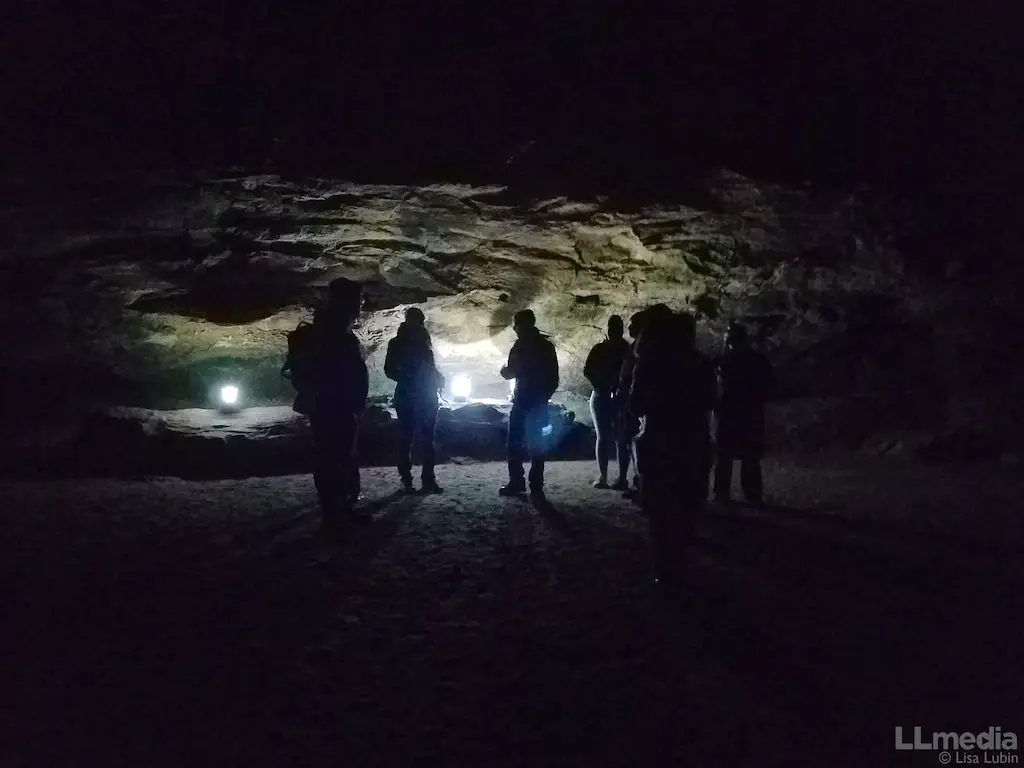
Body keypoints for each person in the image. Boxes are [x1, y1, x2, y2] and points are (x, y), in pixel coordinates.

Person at [629, 310, 716, 596]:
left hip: (659, 441)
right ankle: (679, 564)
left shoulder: (650, 365)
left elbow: (635, 405)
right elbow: (711, 400)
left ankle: (667, 573)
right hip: (693, 441)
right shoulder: (700, 363)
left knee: (661, 512)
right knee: (687, 503)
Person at [307, 278, 369, 535]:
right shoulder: (330, 332)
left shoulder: (333, 328)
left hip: (338, 404)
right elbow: (338, 370)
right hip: (334, 405)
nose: (361, 305)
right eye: (358, 300)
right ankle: (332, 519)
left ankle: (341, 511)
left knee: (341, 459)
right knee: (333, 459)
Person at [499, 309, 559, 500]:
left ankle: (517, 481)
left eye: (515, 324)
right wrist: (545, 396)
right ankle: (536, 484)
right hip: (539, 401)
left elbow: (511, 372)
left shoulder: (520, 346)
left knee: (515, 442)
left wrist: (503, 371)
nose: (514, 328)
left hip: (523, 400)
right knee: (538, 442)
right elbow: (554, 377)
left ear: (520, 325)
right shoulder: (546, 346)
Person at [384, 307, 444, 494]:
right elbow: (389, 369)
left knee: (421, 438)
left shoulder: (422, 341)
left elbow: (430, 367)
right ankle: (411, 479)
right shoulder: (399, 343)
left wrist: (437, 378)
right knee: (411, 437)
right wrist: (407, 376)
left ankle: (421, 479)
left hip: (420, 394)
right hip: (411, 394)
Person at [713, 323, 773, 507]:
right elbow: (768, 386)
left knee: (725, 455)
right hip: (750, 412)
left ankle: (722, 493)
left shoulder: (725, 360)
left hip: (730, 411)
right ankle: (752, 494)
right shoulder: (757, 359)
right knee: (749, 456)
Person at [583, 315, 632, 489]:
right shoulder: (602, 349)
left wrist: (617, 386)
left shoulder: (627, 350)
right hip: (601, 395)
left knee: (621, 438)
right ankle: (604, 476)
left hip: (618, 397)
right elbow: (587, 370)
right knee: (604, 437)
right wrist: (602, 385)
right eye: (612, 328)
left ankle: (621, 478)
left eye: (616, 328)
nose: (614, 331)